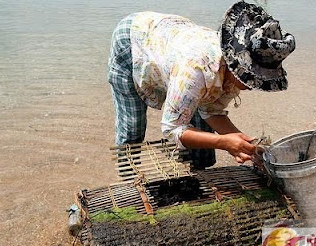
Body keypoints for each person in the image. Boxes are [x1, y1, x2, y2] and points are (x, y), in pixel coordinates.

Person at [108, 1, 295, 169]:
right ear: (235, 63)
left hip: (170, 42)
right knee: (133, 127)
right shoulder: (195, 70)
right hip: (133, 41)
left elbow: (211, 111)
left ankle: (195, 172)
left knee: (202, 145)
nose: (253, 85)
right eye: (254, 78)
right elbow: (171, 128)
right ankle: (128, 176)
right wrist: (223, 142)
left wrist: (249, 148)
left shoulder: (232, 66)